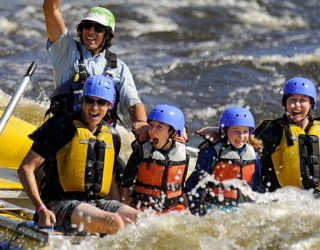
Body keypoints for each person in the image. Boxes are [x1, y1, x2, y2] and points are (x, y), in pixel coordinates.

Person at [18, 75, 138, 235]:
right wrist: (41, 209)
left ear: (109, 105)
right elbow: (26, 168)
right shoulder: (60, 127)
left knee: (140, 219)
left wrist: (114, 208)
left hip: (96, 203)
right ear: (83, 100)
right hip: (59, 204)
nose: (94, 107)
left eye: (100, 102)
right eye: (89, 100)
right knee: (113, 222)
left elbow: (109, 181)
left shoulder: (112, 135)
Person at [43, 0, 148, 135]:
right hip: (63, 134)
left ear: (107, 35)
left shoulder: (119, 68)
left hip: (99, 139)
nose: (91, 32)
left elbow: (133, 103)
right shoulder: (65, 49)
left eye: (98, 28)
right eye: (87, 26)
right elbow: (49, 9)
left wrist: (141, 124)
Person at [185, 106, 263, 215]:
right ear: (225, 131)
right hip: (214, 209)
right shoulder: (212, 153)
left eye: (245, 131)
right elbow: (194, 183)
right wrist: (197, 211)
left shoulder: (253, 155)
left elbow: (257, 186)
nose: (241, 136)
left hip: (243, 210)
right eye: (236, 131)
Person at [254, 77, 320, 194]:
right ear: (285, 103)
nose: (296, 105)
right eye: (292, 100)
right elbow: (242, 143)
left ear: (311, 104)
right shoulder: (274, 130)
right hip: (286, 201)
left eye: (303, 100)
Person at [120, 104, 190, 213]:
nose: (152, 131)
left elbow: (182, 188)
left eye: (159, 127)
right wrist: (125, 209)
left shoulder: (183, 155)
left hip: (173, 208)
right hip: (143, 206)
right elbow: (125, 184)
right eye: (151, 125)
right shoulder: (141, 151)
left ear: (173, 132)